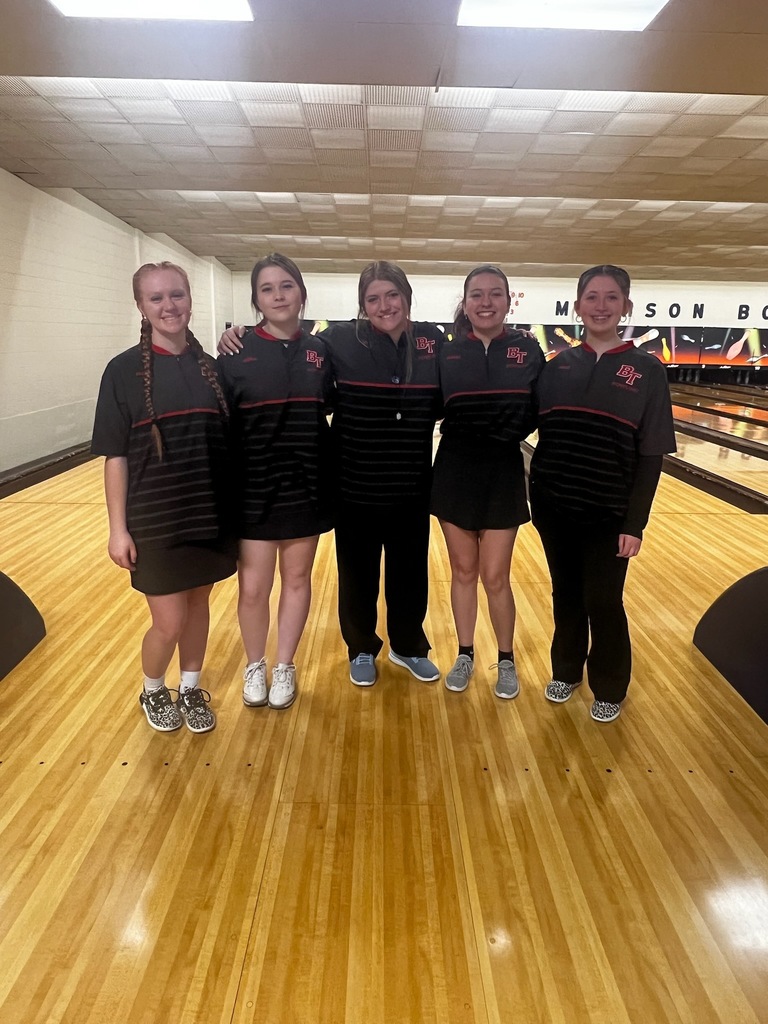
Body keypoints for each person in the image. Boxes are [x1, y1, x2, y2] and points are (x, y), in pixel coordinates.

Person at [219, 261, 443, 687]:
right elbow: (284, 347)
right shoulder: (337, 341)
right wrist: (240, 333)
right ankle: (361, 648)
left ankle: (408, 646)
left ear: (406, 297)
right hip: (353, 483)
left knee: (410, 574)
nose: (384, 305)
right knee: (357, 576)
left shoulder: (432, 340)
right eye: (373, 298)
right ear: (362, 304)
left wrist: (514, 337)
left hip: (412, 483)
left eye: (392, 295)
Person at [92, 261, 236, 734]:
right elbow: (115, 456)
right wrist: (117, 529)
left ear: (190, 299)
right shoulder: (122, 371)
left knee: (198, 607)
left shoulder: (210, 367)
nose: (169, 306)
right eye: (156, 298)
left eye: (177, 295)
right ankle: (153, 688)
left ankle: (190, 687)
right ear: (141, 306)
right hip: (155, 520)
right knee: (169, 621)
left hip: (209, 514)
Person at [529, 265, 676, 723]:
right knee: (565, 593)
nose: (601, 306)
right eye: (591, 297)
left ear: (626, 307)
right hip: (554, 506)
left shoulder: (647, 371)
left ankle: (610, 684)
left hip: (609, 512)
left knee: (603, 600)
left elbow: (651, 455)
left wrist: (635, 524)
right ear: (577, 306)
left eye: (611, 297)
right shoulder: (556, 367)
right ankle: (566, 670)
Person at [218, 254, 333, 711]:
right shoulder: (234, 352)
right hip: (253, 484)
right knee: (253, 587)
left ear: (301, 293)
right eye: (267, 288)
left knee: (297, 579)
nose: (278, 295)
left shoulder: (321, 351)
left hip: (306, 482)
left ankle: (285, 665)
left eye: (287, 285)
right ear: (256, 299)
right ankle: (255, 664)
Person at [432, 265, 544, 698]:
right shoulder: (446, 352)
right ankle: (464, 654)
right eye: (476, 294)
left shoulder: (527, 349)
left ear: (508, 301)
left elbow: (540, 408)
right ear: (465, 303)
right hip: (455, 469)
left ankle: (506, 660)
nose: (485, 302)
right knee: (464, 570)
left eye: (495, 293)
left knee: (496, 575)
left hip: (502, 470)